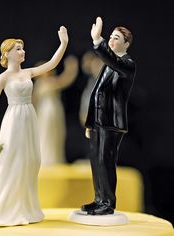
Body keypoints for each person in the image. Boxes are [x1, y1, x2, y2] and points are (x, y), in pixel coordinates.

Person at [0, 26, 68, 226]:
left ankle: (26, 206)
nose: (22, 52)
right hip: (13, 119)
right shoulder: (4, 78)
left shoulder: (29, 72)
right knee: (12, 161)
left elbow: (52, 63)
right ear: (7, 54)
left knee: (30, 160)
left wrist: (63, 44)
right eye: (18, 49)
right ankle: (7, 208)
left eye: (22, 48)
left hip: (29, 117)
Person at [81, 17, 136, 215]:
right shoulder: (108, 64)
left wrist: (98, 41)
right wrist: (90, 123)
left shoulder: (126, 64)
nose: (112, 41)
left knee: (106, 161)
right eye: (110, 37)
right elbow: (98, 93)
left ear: (126, 44)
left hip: (111, 123)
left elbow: (111, 59)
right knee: (96, 160)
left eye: (116, 38)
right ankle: (99, 199)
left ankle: (108, 202)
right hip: (98, 123)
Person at [33, 55, 78, 166]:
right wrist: (71, 69)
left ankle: (54, 158)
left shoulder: (47, 83)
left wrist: (71, 69)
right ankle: (47, 159)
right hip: (46, 112)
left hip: (54, 111)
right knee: (46, 134)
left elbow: (65, 80)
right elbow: (65, 80)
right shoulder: (42, 84)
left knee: (56, 134)